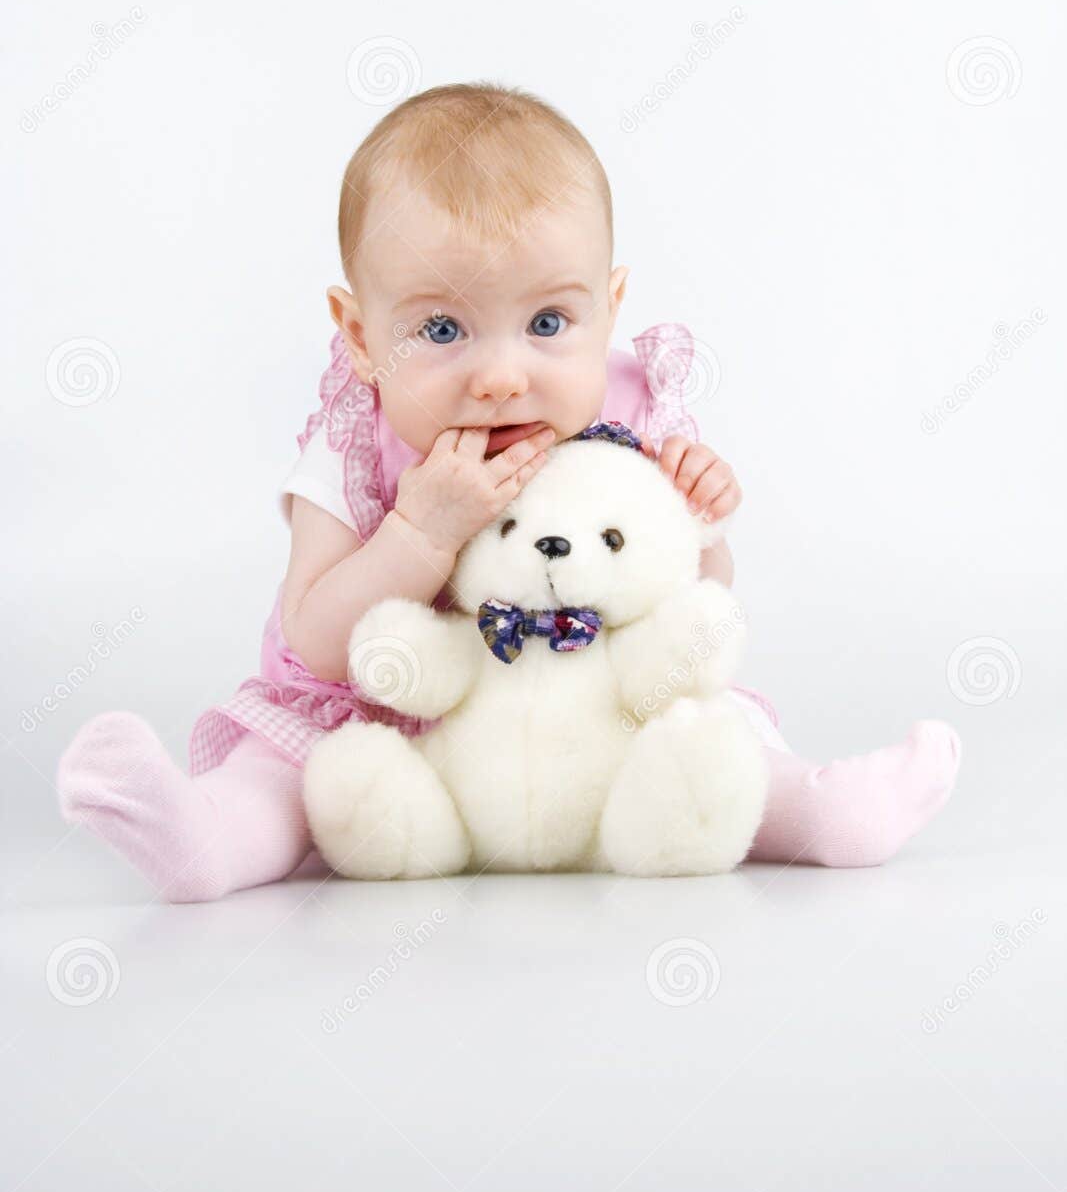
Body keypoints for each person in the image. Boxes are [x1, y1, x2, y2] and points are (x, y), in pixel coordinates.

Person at [57, 83, 960, 900]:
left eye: (547, 323)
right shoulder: (354, 442)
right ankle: (205, 840)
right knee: (287, 779)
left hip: (593, 708)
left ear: (607, 308)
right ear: (362, 334)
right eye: (441, 328)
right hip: (394, 723)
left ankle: (826, 817)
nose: (500, 375)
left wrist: (701, 523)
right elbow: (318, 643)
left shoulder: (629, 416)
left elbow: (691, 600)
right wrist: (420, 531)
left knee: (710, 742)